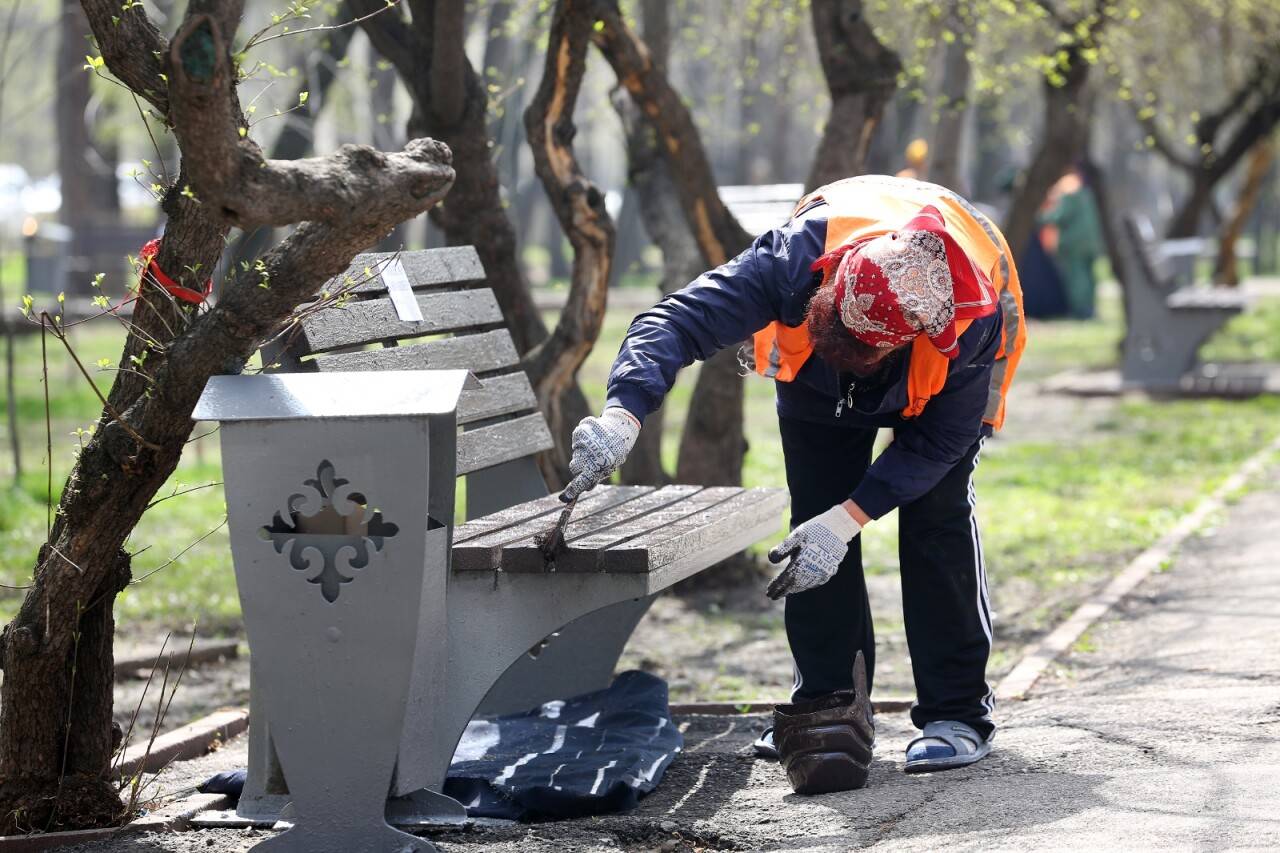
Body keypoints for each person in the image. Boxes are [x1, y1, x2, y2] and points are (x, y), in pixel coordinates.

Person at [562, 175, 1026, 774]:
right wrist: (623, 415)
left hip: (945, 358)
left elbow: (939, 442)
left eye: (875, 354)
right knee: (813, 518)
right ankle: (828, 705)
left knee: (936, 519)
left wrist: (849, 521)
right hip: (817, 375)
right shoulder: (790, 262)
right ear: (827, 295)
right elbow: (673, 323)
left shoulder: (969, 321)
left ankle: (957, 712)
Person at [1038, 165, 1104, 319]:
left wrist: (1041, 217)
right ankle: (1090, 308)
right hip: (1092, 242)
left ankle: (1081, 310)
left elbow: (1059, 216)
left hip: (1074, 243)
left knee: (1077, 277)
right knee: (1090, 276)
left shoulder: (1069, 190)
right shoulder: (1088, 194)